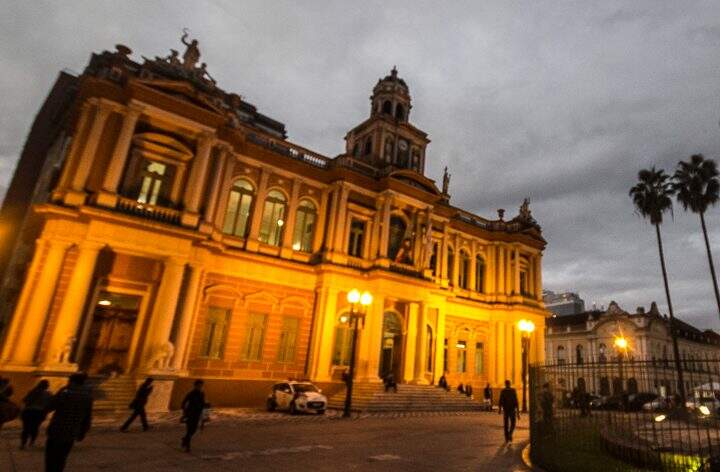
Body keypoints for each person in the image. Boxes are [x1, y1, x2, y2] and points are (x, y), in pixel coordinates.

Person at [45, 372, 93, 472]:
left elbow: (50, 406)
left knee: (51, 456)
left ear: (72, 381)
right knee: (62, 457)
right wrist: (83, 431)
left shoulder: (64, 392)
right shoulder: (87, 396)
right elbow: (87, 416)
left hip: (57, 429)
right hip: (72, 431)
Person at [20, 379, 52, 449]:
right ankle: (31, 442)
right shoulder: (48, 394)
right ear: (47, 386)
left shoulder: (32, 391)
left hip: (28, 411)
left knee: (26, 428)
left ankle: (23, 443)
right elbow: (50, 404)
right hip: (39, 413)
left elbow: (24, 400)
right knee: (35, 427)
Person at [181, 379, 206, 452]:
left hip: (197, 414)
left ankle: (185, 439)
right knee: (189, 430)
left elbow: (202, 403)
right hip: (190, 413)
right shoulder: (191, 393)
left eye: (201, 386)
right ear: (195, 386)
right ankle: (187, 446)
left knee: (194, 430)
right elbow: (183, 403)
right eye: (198, 385)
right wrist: (184, 413)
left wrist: (204, 410)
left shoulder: (202, 394)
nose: (200, 387)